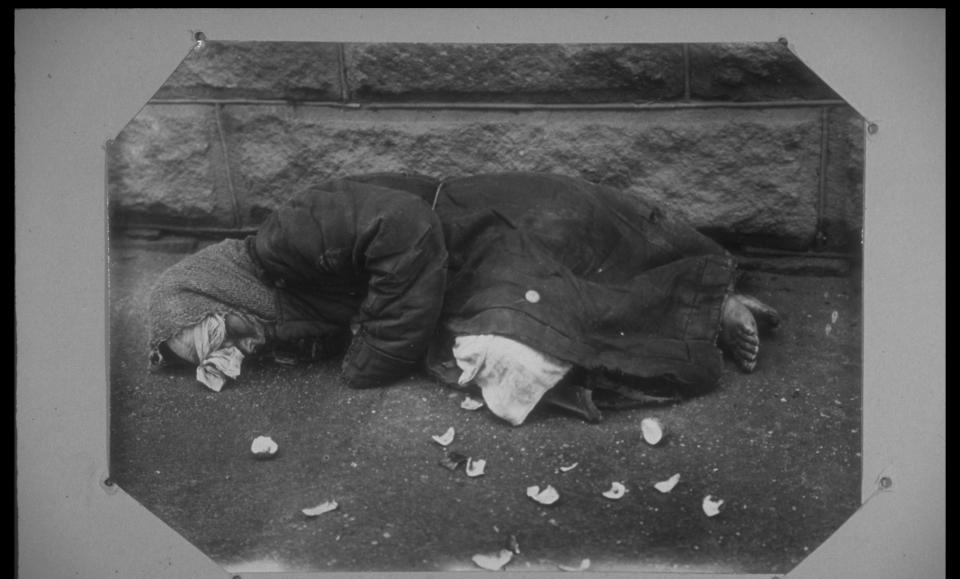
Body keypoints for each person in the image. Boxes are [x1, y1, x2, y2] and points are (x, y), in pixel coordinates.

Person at [146, 172, 779, 425]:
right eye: (222, 353)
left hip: (466, 229)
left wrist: (377, 356)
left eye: (222, 330)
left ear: (219, 288)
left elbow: (405, 227)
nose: (240, 346)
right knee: (525, 343)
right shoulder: (278, 309)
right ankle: (709, 313)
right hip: (442, 278)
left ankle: (711, 300)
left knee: (556, 289)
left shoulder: (283, 239)